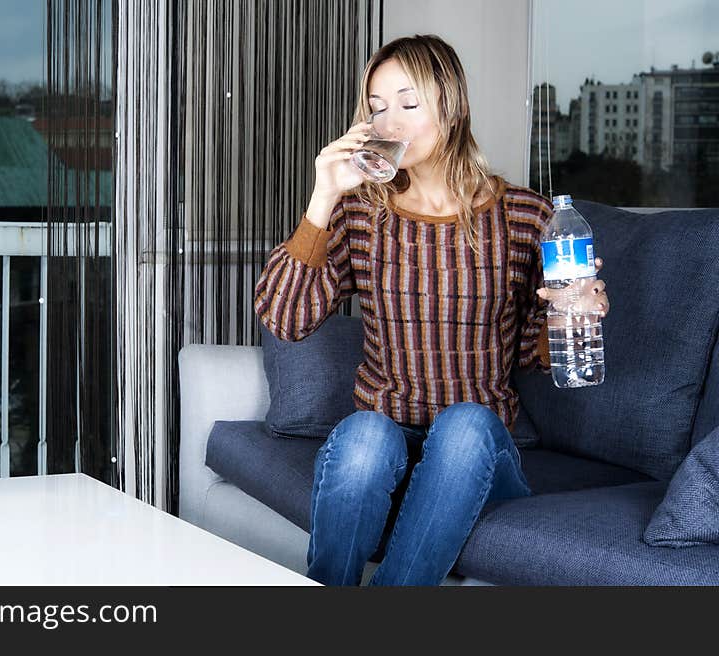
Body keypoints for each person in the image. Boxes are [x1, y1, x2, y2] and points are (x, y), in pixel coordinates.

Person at [253, 34, 610, 586]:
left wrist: (573, 315)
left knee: (466, 424)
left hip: (478, 453)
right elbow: (284, 318)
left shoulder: (523, 215)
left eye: (408, 103)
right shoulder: (361, 214)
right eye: (376, 108)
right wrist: (322, 198)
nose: (389, 122)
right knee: (365, 434)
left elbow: (542, 354)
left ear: (451, 105)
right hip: (383, 442)